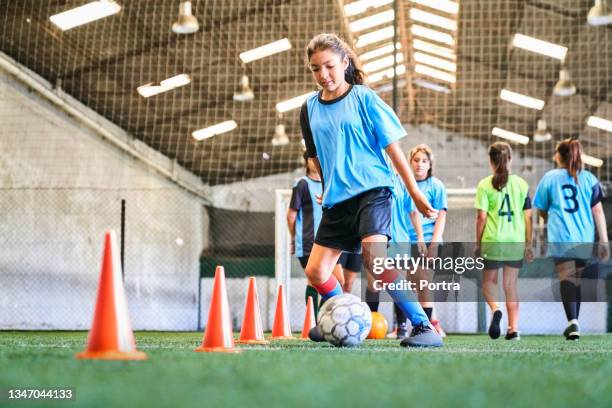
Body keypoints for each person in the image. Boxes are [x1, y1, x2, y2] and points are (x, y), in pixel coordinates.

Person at [300, 33, 442, 347]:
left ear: (344, 62)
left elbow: (393, 149)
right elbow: (316, 156)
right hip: (338, 200)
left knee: (375, 260)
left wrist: (416, 194)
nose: (323, 74)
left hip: (373, 190)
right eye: (315, 69)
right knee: (315, 271)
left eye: (329, 66)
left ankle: (424, 327)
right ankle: (340, 313)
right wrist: (328, 187)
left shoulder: (363, 98)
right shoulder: (308, 108)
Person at [533, 138, 609, 341]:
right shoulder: (589, 179)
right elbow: (598, 211)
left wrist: (548, 217)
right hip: (584, 237)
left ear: (559, 156)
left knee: (567, 279)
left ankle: (572, 322)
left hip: (561, 237)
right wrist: (604, 240)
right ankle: (575, 322)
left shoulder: (550, 178)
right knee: (577, 280)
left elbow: (541, 208)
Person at [475, 142, 533, 340]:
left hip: (493, 240)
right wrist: (529, 243)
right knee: (511, 285)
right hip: (515, 241)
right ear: (510, 159)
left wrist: (478, 243)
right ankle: (513, 328)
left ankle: (495, 309)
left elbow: (481, 217)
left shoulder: (484, 185)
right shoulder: (522, 184)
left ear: (490, 160)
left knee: (488, 283)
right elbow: (528, 217)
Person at [287, 152, 344, 320]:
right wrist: (294, 238)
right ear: (306, 162)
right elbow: (291, 215)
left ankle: (322, 319)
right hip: (308, 242)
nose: (315, 161)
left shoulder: (330, 184)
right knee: (314, 281)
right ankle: (313, 321)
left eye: (319, 157)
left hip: (330, 240)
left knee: (338, 280)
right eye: (312, 158)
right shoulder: (302, 184)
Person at [405, 144, 448, 337]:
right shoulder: (404, 184)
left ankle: (427, 327)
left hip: (428, 240)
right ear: (410, 162)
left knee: (424, 282)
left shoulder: (436, 186)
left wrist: (435, 242)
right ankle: (419, 324)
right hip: (406, 240)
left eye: (424, 161)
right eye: (416, 160)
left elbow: (441, 216)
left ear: (430, 164)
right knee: (409, 285)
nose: (420, 165)